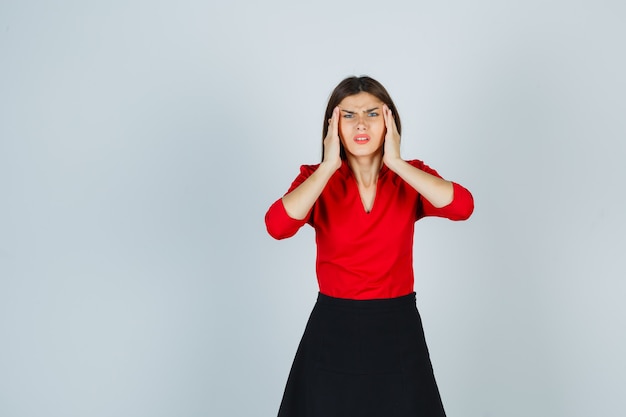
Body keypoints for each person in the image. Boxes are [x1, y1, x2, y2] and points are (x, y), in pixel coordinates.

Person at [265, 76, 474, 417]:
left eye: (372, 113)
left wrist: (397, 163)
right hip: (332, 329)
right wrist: (329, 165)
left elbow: (462, 207)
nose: (360, 123)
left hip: (398, 329)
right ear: (333, 126)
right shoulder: (316, 179)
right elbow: (277, 226)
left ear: (389, 121)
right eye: (348, 115)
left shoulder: (409, 177)